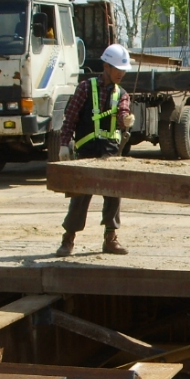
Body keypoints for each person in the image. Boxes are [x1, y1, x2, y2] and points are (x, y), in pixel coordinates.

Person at [55, 44, 136, 257]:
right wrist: (64, 144)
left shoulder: (122, 94)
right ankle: (68, 239)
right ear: (106, 66)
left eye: (123, 69)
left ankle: (110, 238)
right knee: (80, 195)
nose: (121, 73)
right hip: (87, 149)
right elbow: (70, 118)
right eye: (118, 68)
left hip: (109, 150)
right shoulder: (85, 88)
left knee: (114, 193)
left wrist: (125, 119)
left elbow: (122, 111)